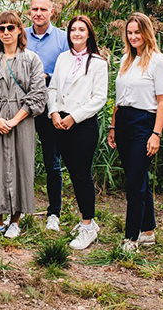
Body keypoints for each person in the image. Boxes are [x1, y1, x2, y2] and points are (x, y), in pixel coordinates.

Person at [0, 11, 47, 239]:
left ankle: (15, 220)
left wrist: (14, 120)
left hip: (22, 122)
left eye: (10, 28)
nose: (6, 32)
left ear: (19, 31)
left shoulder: (32, 60)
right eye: (1, 28)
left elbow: (38, 95)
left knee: (21, 168)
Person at [107, 13, 163, 252]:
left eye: (138, 32)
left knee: (134, 183)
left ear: (147, 33)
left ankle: (131, 237)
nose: (133, 37)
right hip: (123, 121)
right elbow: (119, 99)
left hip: (144, 121)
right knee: (139, 178)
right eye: (130, 32)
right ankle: (148, 230)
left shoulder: (158, 61)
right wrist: (113, 126)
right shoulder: (126, 59)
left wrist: (156, 134)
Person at [46, 15, 108, 249]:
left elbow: (99, 98)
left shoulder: (98, 63)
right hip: (60, 123)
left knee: (82, 175)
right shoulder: (63, 58)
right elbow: (52, 88)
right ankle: (87, 218)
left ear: (89, 34)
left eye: (82, 30)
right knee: (72, 173)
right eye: (73, 30)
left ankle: (87, 225)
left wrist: (74, 116)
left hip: (82, 124)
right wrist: (53, 113)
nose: (77, 34)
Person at [24, 0, 69, 230]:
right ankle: (20, 210)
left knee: (52, 161)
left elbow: (69, 73)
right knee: (22, 159)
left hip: (51, 107)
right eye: (35, 9)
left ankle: (54, 212)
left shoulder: (63, 38)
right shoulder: (21, 35)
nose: (38, 13)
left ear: (52, 11)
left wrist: (47, 77)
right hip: (24, 108)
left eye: (43, 9)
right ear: (29, 11)